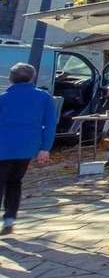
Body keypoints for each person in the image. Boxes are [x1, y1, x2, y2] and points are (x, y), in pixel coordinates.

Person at [0, 63, 56, 235]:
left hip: (3, 146)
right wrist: (45, 148)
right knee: (15, 181)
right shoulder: (45, 97)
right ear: (32, 77)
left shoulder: (3, 98)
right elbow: (50, 124)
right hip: (28, 148)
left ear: (10, 78)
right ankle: (10, 218)